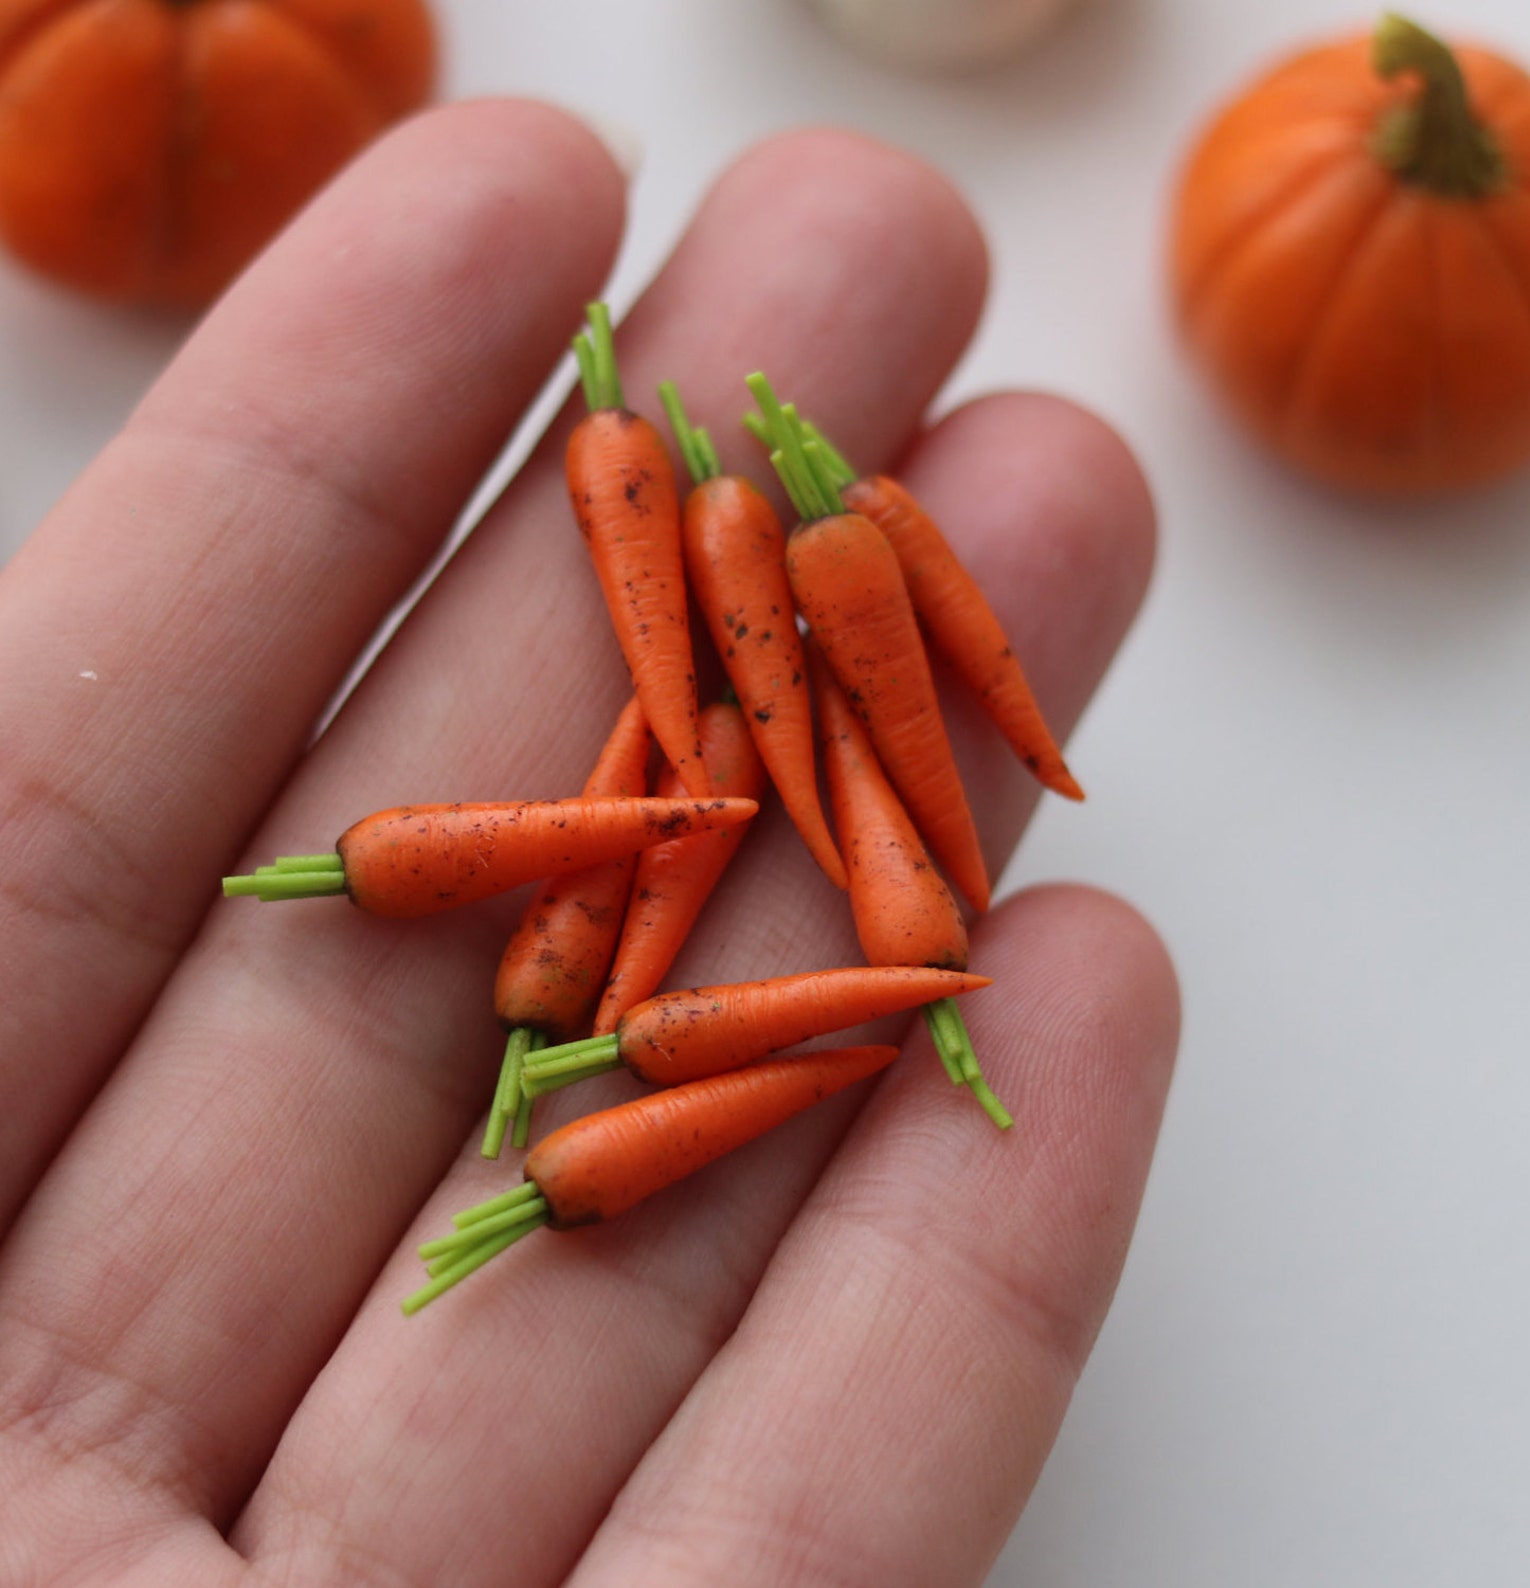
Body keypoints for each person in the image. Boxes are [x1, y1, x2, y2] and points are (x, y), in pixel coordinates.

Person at [0, 100, 1179, 1584]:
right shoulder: (686, 593)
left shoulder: (815, 546)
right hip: (609, 985)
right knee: (674, 793)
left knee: (763, 776)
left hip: (673, 929)